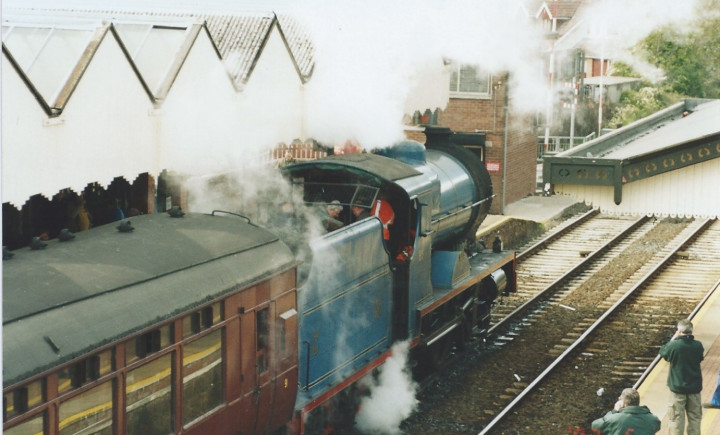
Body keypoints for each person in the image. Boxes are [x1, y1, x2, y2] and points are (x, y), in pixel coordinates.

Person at [659, 318, 704, 435]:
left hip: (677, 389)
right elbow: (700, 358)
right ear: (691, 331)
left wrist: (673, 338)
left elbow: (663, 352)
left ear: (679, 331)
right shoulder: (698, 346)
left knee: (676, 420)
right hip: (694, 389)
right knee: (695, 418)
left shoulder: (674, 346)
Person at [591, 388, 660, 434]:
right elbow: (656, 427)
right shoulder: (653, 419)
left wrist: (614, 411)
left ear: (622, 402)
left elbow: (595, 426)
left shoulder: (614, 419)